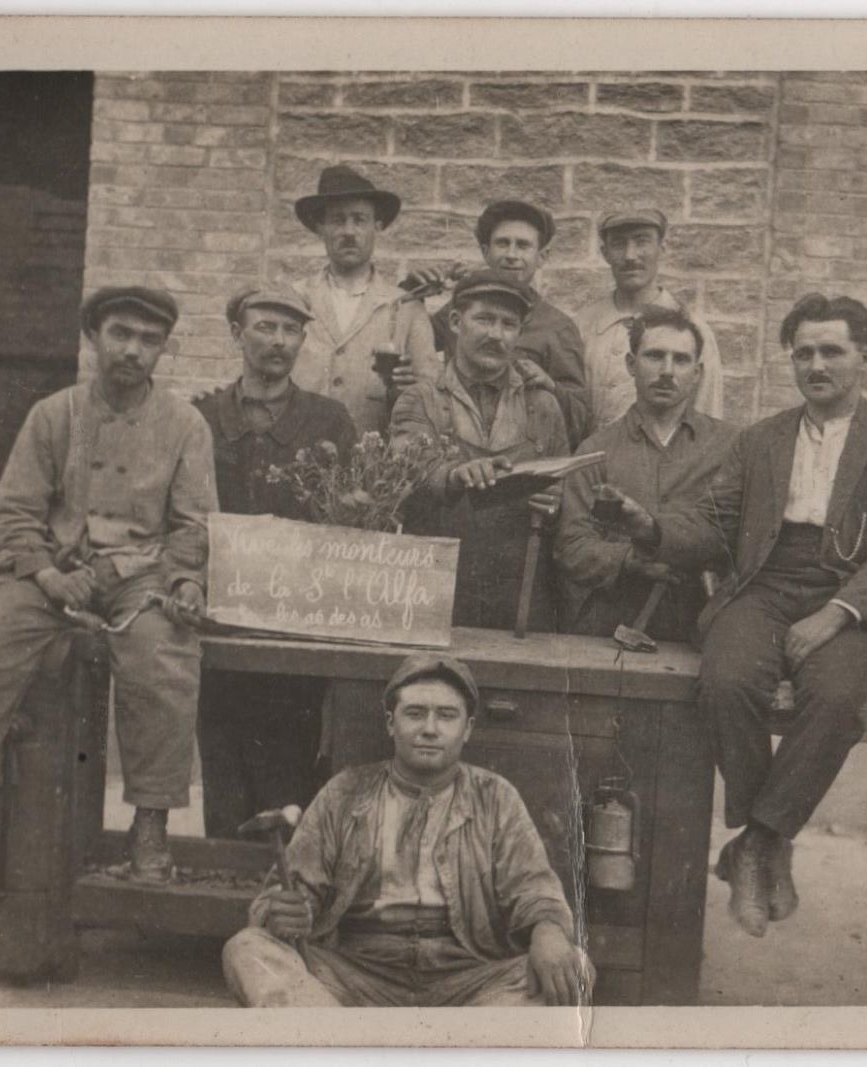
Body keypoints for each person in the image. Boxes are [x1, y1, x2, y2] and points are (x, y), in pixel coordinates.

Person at [611, 293, 867, 937]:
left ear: (864, 357)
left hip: (856, 592)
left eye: (833, 351)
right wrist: (649, 528)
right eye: (804, 352)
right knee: (726, 680)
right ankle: (770, 837)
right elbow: (713, 523)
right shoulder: (761, 440)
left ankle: (756, 841)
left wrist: (837, 615)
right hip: (766, 580)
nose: (817, 364)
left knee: (839, 694)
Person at [0, 286, 216, 883]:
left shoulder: (185, 425)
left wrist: (186, 581)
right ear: (93, 337)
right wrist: (47, 574)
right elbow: (14, 514)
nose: (133, 350)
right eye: (120, 334)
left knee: (163, 658)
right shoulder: (54, 415)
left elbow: (191, 525)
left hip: (138, 576)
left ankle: (150, 824)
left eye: (149, 341)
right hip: (53, 572)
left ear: (163, 350)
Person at [222, 653, 594, 1007]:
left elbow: (534, 889)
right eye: (415, 714)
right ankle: (352, 1046)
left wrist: (548, 931)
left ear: (467, 729)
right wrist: (285, 912)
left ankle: (365, 1048)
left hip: (468, 981)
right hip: (355, 975)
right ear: (390, 723)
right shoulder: (345, 792)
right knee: (248, 950)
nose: (429, 729)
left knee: (572, 967)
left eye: (446, 716)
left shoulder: (495, 797)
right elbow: (289, 892)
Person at [191, 283, 357, 839]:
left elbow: (351, 527)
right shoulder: (201, 418)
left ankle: (291, 891)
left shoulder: (330, 423)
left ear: (303, 341)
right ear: (237, 334)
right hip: (219, 621)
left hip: (297, 628)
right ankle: (225, 882)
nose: (278, 341)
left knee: (291, 760)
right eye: (264, 327)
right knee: (222, 752)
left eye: (290, 330)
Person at [389, 269, 570, 632]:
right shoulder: (421, 399)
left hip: (519, 593)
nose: (495, 335)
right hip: (436, 587)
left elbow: (566, 491)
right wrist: (454, 473)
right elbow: (406, 468)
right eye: (484, 319)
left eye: (508, 324)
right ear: (456, 321)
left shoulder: (543, 406)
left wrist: (555, 500)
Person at [554, 305, 736, 641]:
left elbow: (739, 537)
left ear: (697, 373)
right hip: (610, 622)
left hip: (697, 624)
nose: (667, 371)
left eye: (681, 360)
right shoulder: (595, 451)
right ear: (630, 365)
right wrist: (629, 560)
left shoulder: (730, 448)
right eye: (654, 356)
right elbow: (571, 546)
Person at [425, 200, 591, 448]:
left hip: (522, 453)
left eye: (523, 246)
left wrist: (551, 386)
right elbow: (410, 347)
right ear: (485, 251)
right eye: (503, 243)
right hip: (458, 450)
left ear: (541, 256)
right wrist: (418, 294)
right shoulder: (460, 311)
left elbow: (581, 418)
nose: (512, 255)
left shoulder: (557, 326)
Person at [290, 165, 439, 436]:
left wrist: (405, 392)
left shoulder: (406, 307)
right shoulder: (295, 300)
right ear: (320, 228)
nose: (349, 231)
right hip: (300, 455)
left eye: (359, 220)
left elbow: (431, 396)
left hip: (373, 462)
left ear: (376, 227)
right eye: (337, 220)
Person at [573, 208, 723, 430]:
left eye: (642, 241)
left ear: (662, 249)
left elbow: (707, 424)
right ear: (605, 253)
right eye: (618, 244)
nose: (630, 256)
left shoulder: (692, 330)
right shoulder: (582, 325)